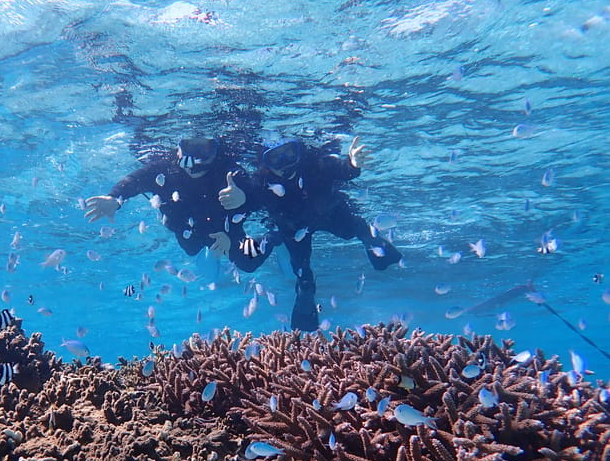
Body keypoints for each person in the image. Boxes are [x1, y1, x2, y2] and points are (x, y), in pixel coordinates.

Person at [249, 136, 402, 331]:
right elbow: (247, 199)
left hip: (330, 213)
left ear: (299, 151)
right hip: (292, 228)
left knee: (353, 227)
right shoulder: (261, 182)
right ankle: (305, 296)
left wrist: (352, 164)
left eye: (289, 153)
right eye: (275, 158)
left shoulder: (314, 163)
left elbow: (339, 168)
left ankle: (371, 241)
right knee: (301, 268)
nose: (285, 162)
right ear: (264, 162)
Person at [84, 137, 265, 272]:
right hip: (185, 228)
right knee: (191, 250)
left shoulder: (228, 171)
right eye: (189, 147)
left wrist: (244, 198)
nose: (196, 157)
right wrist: (115, 198)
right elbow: (134, 180)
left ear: (216, 151)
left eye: (204, 148)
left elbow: (258, 195)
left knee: (246, 263)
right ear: (178, 149)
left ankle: (271, 239)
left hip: (224, 230)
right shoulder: (163, 168)